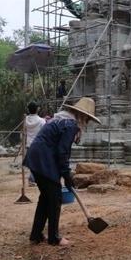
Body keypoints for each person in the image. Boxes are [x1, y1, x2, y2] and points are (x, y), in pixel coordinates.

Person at [24, 97, 101, 246]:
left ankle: (36, 234)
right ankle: (54, 237)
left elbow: (58, 149)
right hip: (43, 160)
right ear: (83, 116)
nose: (87, 123)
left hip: (37, 157)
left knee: (46, 198)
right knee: (55, 198)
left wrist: (64, 174)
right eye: (88, 120)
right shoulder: (70, 124)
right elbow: (62, 152)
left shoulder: (61, 120)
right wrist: (67, 174)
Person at [24, 101, 46, 185]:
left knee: (32, 162)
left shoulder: (25, 120)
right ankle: (33, 179)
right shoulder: (41, 121)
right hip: (39, 144)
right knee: (39, 162)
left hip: (29, 143)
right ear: (37, 109)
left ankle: (32, 178)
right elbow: (44, 132)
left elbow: (24, 131)